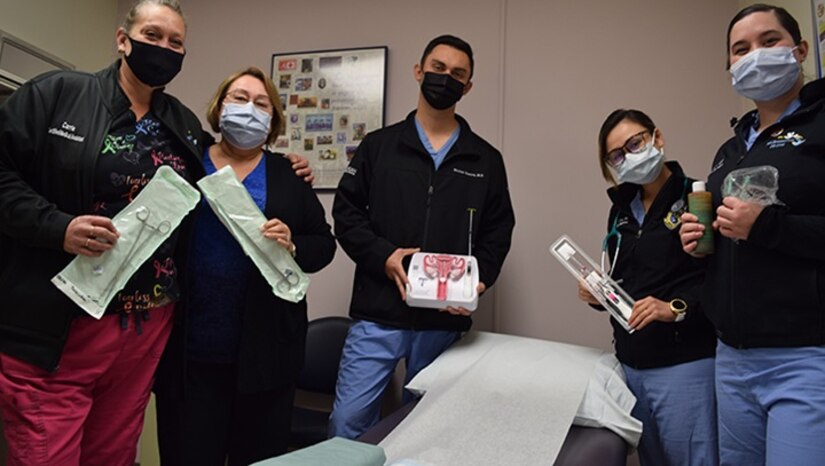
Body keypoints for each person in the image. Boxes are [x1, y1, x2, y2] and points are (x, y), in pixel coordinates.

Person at [0, 2, 312, 464]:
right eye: (152, 34)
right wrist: (58, 227)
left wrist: (289, 167)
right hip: (61, 325)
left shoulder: (182, 128)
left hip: (146, 330)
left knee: (114, 454)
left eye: (176, 42)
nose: (163, 48)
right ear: (123, 39)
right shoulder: (58, 93)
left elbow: (226, 173)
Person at [330, 34, 516, 439]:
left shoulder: (485, 159)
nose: (445, 78)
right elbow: (345, 213)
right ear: (419, 71)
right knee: (348, 424)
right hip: (377, 313)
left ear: (467, 87)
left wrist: (478, 281)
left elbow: (498, 230)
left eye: (457, 74)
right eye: (438, 68)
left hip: (442, 321)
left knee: (427, 431)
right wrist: (384, 256)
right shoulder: (379, 147)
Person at [153, 67, 335, 466]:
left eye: (260, 103)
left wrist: (293, 244)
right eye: (238, 98)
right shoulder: (187, 161)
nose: (248, 109)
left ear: (272, 120)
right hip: (190, 355)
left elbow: (325, 246)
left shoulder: (289, 175)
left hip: (266, 358)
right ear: (219, 108)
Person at [679, 4, 825, 465]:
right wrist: (701, 241)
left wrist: (768, 226)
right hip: (733, 356)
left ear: (800, 50)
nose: (754, 56)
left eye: (769, 41)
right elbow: (735, 239)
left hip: (804, 354)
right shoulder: (731, 148)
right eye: (740, 50)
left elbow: (766, 230)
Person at [579, 109, 718, 466]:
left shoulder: (698, 199)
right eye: (617, 155)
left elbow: (720, 283)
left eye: (635, 143)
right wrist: (600, 294)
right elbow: (628, 278)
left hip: (684, 364)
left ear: (657, 138)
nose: (628, 156)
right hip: (631, 365)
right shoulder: (622, 210)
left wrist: (673, 308)